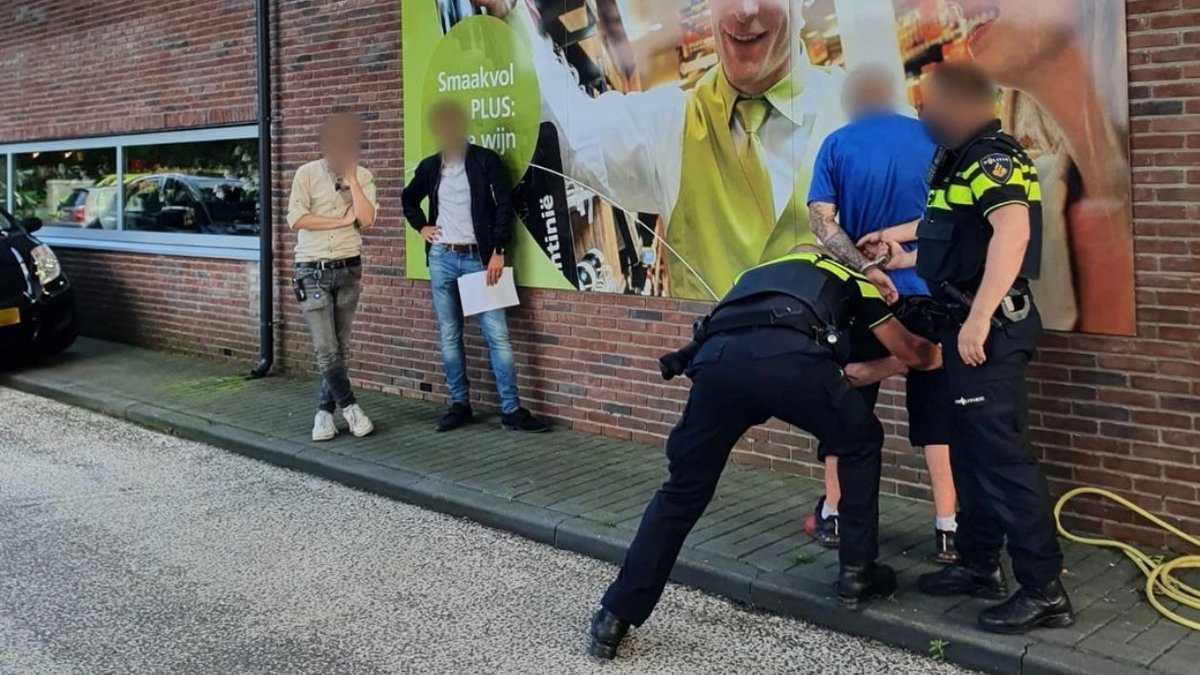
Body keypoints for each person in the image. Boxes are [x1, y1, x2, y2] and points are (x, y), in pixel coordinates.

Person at [587, 245, 943, 660]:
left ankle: (615, 616)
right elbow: (910, 349)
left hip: (718, 366)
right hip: (794, 364)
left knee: (682, 492)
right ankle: (858, 572)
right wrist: (931, 355)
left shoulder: (750, 277)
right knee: (859, 441)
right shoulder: (850, 278)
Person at [471, 0, 875, 302]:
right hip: (719, 404)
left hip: (837, 406)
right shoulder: (673, 124)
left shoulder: (872, 125)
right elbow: (571, 138)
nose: (744, 11)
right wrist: (511, 17)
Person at [912, 64, 1073, 634]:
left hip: (988, 334)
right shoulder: (960, 160)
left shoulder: (991, 157)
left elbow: (1013, 233)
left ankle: (1043, 589)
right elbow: (953, 235)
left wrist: (977, 321)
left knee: (1002, 460)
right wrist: (899, 247)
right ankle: (981, 566)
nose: (923, 113)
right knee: (973, 453)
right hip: (963, 329)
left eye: (930, 103)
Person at [805, 65, 957, 564]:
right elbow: (949, 216)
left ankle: (833, 513)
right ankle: (948, 529)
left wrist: (867, 270)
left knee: (847, 404)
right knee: (937, 417)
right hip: (932, 290)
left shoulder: (836, 144)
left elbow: (825, 227)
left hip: (868, 297)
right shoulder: (932, 141)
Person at [402, 100, 550, 434]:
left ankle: (511, 411)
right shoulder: (430, 168)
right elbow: (408, 198)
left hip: (479, 260)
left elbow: (504, 208)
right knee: (450, 334)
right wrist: (422, 227)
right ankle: (459, 404)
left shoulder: (485, 161)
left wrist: (498, 251)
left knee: (497, 335)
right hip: (442, 259)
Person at [287, 112, 378, 441]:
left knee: (341, 346)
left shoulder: (364, 177)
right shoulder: (307, 174)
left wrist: (353, 182)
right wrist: (341, 221)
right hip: (312, 271)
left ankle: (325, 414)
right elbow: (297, 218)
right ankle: (351, 408)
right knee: (326, 347)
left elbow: (366, 219)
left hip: (349, 269)